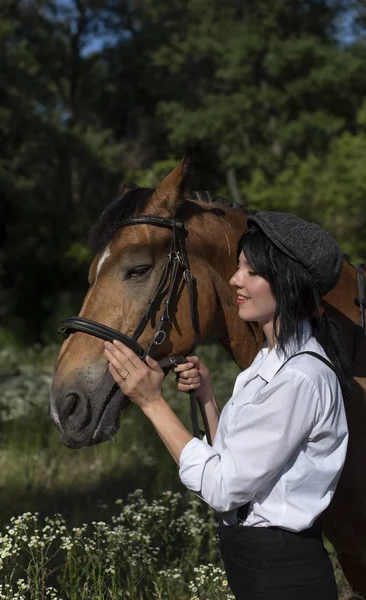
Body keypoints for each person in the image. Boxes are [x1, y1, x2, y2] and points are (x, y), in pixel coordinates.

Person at [104, 211, 350, 600]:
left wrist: (152, 403)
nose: (235, 280)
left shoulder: (299, 377)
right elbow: (238, 466)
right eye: (238, 268)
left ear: (287, 284)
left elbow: (223, 489)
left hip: (283, 573)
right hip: (255, 564)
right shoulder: (269, 364)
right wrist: (208, 400)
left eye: (251, 272)